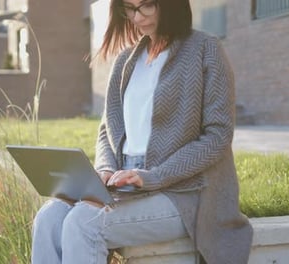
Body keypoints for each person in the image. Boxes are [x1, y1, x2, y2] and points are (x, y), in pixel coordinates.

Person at [31, 0, 253, 263]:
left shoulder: (205, 49)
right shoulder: (126, 60)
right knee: (48, 219)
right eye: (129, 8)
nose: (137, 17)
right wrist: (105, 170)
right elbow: (107, 130)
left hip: (185, 193)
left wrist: (151, 176)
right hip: (126, 185)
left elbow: (218, 137)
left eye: (146, 5)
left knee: (84, 222)